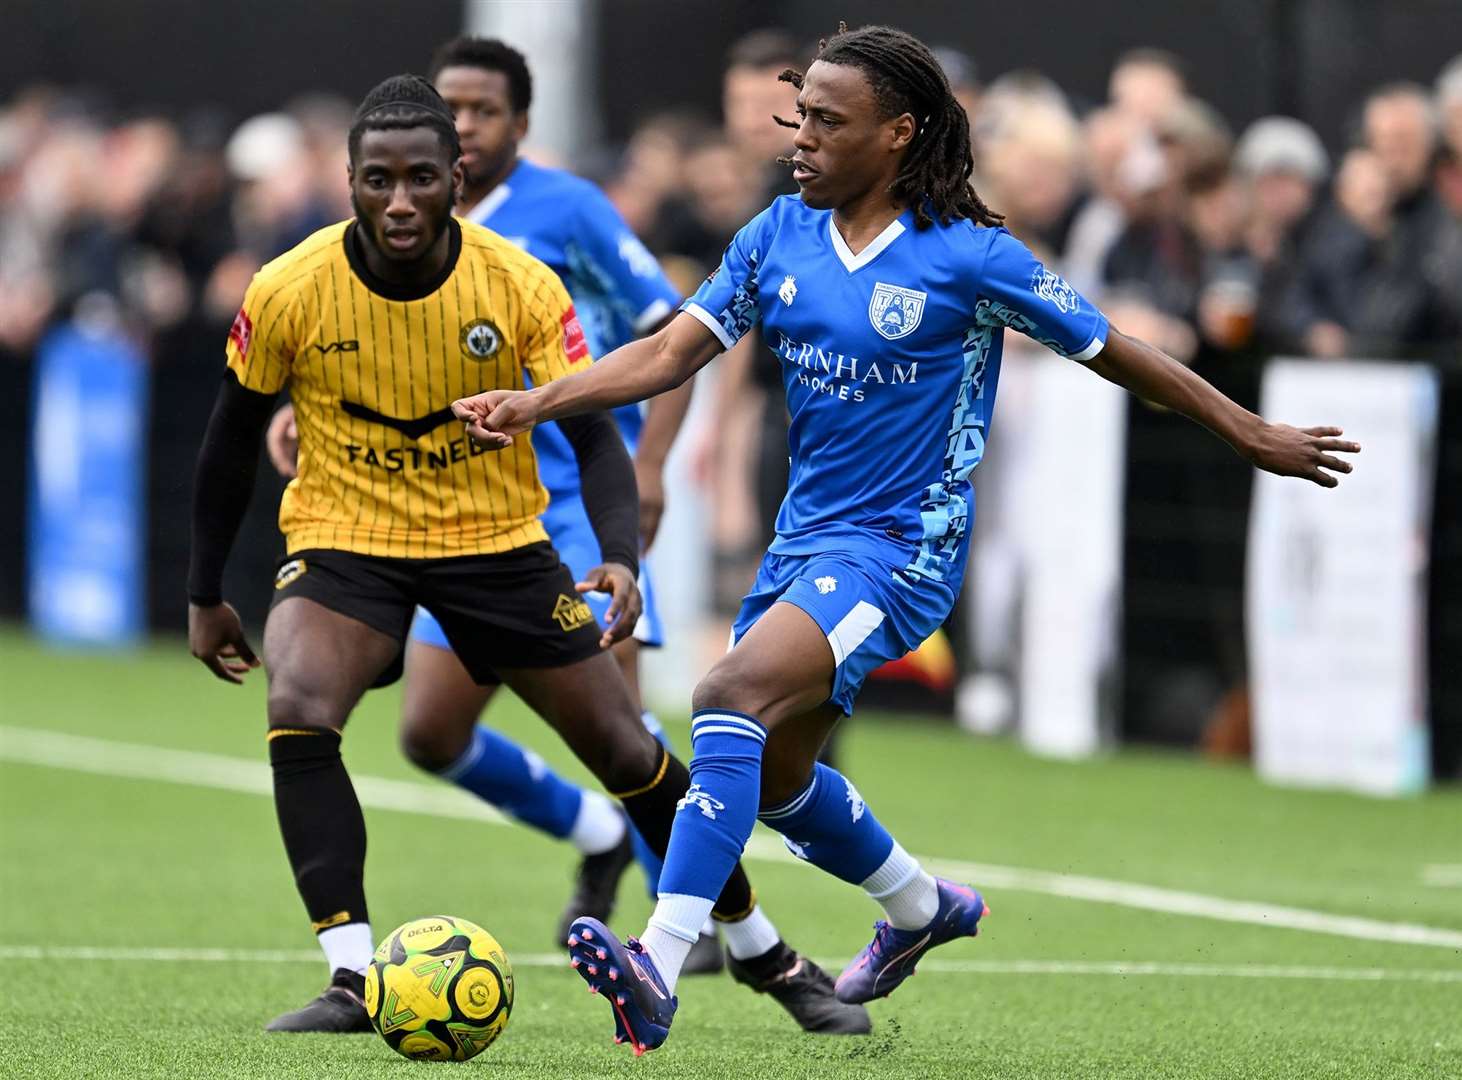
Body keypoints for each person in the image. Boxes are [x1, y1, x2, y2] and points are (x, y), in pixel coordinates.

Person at [452, 23, 1360, 1055]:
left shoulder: (970, 255)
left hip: (901, 548)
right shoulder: (775, 237)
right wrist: (539, 403)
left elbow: (1119, 352)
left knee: (722, 696)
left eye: (827, 123)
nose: (800, 139)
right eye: (800, 118)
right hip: (806, 544)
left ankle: (657, 961)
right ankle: (923, 908)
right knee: (781, 781)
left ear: (898, 134)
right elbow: (666, 353)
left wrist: (1248, 432)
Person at [188, 73, 869, 1039]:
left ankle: (763, 951)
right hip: (347, 540)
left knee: (629, 749)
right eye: (377, 180)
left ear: (455, 177)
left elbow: (594, 432)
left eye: (421, 178)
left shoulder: (517, 282)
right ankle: (350, 974)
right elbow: (227, 439)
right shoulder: (288, 286)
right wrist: (205, 590)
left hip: (499, 547)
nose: (399, 201)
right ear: (346, 180)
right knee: (300, 707)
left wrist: (622, 554)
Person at [264, 36, 720, 973]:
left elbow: (674, 337)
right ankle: (598, 835)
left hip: (567, 505)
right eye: (453, 108)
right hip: (438, 511)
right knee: (431, 733)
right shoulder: (396, 215)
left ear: (519, 125)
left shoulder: (569, 212)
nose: (465, 125)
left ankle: (696, 917)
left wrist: (654, 465)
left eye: (484, 111)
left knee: (617, 719)